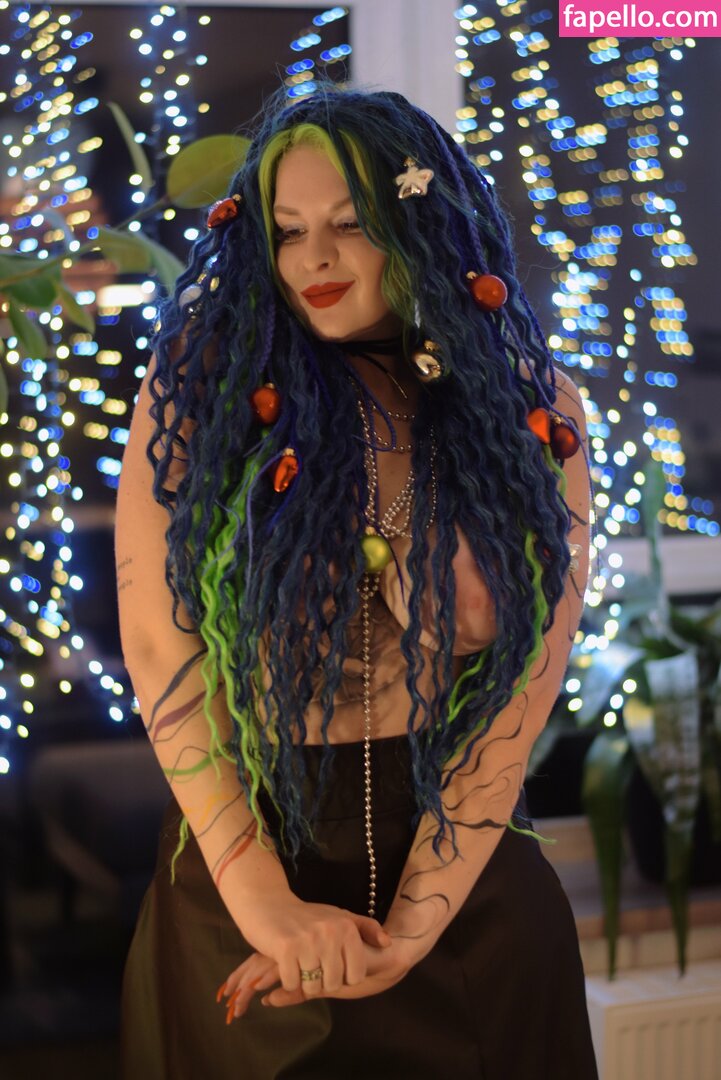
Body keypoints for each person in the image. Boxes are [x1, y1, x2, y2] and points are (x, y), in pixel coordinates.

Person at [116, 83, 597, 1079]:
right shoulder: (203, 390)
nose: (315, 260)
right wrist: (267, 910)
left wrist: (412, 932)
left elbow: (524, 686)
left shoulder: (531, 407)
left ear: (420, 224)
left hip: (467, 886)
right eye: (288, 231)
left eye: (351, 225)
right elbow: (161, 649)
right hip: (247, 873)